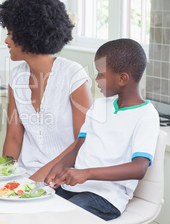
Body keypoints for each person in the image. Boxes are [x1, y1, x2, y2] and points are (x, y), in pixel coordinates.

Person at [45, 38, 160, 221]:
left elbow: (139, 168)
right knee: (40, 207)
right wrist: (59, 167)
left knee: (66, 217)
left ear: (122, 78)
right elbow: (78, 149)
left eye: (101, 74)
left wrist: (87, 173)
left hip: (106, 197)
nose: (96, 80)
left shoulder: (146, 115)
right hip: (73, 188)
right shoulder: (98, 106)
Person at [0, 0, 93, 180]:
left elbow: (83, 141)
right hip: (25, 177)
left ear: (28, 34)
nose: (6, 40)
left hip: (65, 178)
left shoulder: (73, 75)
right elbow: (14, 138)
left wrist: (36, 180)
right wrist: (0, 176)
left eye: (10, 33)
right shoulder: (16, 78)